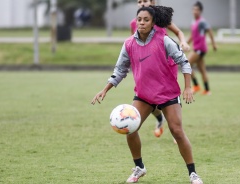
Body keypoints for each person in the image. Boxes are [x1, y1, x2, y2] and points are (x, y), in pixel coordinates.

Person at [92, 5, 203, 184]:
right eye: (139, 20)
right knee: (130, 128)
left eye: (146, 20)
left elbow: (184, 62)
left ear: (153, 23)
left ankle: (193, 174)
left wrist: (188, 87)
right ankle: (139, 168)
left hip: (168, 94)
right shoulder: (129, 43)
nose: (141, 23)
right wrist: (105, 89)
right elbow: (120, 70)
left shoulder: (164, 40)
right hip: (144, 95)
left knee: (177, 131)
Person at [130, 0, 191, 138]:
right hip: (147, 67)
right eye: (139, 1)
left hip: (165, 65)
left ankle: (177, 130)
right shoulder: (135, 22)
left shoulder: (160, 18)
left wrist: (183, 41)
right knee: (146, 96)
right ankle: (159, 119)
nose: (142, 3)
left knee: (167, 96)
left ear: (153, 2)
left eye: (145, 1)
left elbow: (178, 31)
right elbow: (134, 43)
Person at [187, 1, 217, 95]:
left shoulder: (202, 22)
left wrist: (214, 44)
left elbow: (210, 31)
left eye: (197, 10)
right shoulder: (194, 22)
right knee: (202, 69)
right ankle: (207, 90)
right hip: (197, 48)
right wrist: (186, 43)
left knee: (186, 65)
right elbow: (192, 35)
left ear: (200, 11)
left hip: (200, 48)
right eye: (193, 9)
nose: (195, 11)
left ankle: (196, 86)